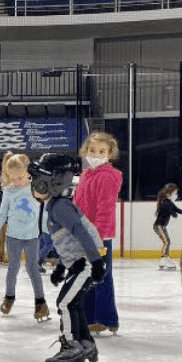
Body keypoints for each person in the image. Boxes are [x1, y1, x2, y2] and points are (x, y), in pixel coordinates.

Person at [28, 153, 105, 362]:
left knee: (65, 303)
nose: (34, 184)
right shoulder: (56, 206)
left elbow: (81, 233)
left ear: (54, 181)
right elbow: (70, 242)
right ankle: (86, 344)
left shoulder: (59, 207)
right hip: (81, 262)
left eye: (38, 179)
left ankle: (71, 346)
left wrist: (96, 262)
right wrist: (62, 266)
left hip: (86, 263)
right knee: (74, 303)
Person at [74, 131, 123, 334]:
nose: (96, 154)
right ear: (85, 150)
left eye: (102, 151)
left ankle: (106, 319)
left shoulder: (108, 177)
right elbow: (77, 204)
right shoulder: (86, 175)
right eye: (92, 150)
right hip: (83, 235)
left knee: (101, 277)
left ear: (110, 154)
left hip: (99, 237)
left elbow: (105, 209)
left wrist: (99, 237)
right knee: (88, 276)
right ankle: (90, 317)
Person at [0, 154, 47, 321]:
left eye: (20, 177)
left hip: (32, 236)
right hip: (13, 236)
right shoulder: (8, 191)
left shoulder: (36, 189)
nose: (17, 181)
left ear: (27, 172)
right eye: (13, 178)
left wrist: (50, 229)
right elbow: (2, 215)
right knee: (13, 268)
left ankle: (41, 303)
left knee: (32, 268)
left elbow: (45, 210)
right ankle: (9, 297)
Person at [153, 182, 182, 271]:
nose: (176, 195)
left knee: (167, 241)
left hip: (162, 226)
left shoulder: (169, 202)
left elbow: (175, 209)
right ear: (169, 193)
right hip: (159, 226)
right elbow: (170, 210)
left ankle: (165, 258)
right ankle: (163, 259)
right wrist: (174, 214)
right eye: (175, 193)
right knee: (166, 242)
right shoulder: (165, 202)